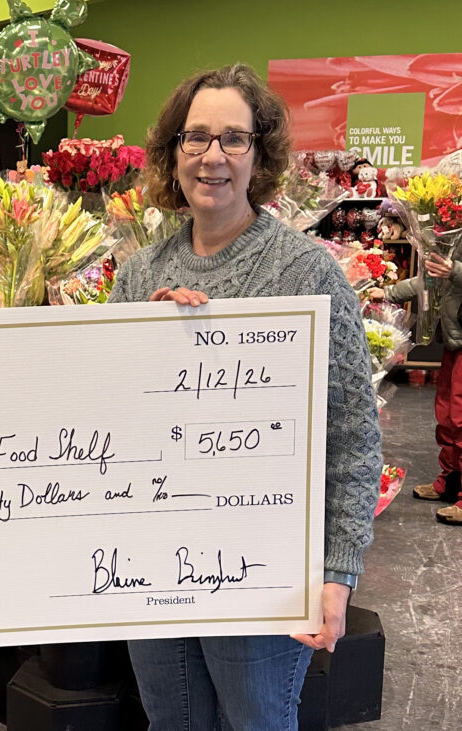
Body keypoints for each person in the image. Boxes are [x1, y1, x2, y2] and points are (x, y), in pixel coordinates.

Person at [107, 64, 381, 728]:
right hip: (154, 564)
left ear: (260, 155)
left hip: (264, 570)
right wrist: (144, 344)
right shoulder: (139, 275)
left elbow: (352, 435)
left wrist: (337, 573)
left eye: (234, 138)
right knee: (172, 721)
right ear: (173, 152)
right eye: (196, 137)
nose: (213, 156)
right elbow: (109, 424)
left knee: (256, 721)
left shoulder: (306, 272)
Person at [370, 252, 462, 525]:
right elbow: (430, 280)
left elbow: (447, 273)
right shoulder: (453, 236)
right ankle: (451, 481)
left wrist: (454, 270)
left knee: (460, 417)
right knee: (447, 414)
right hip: (454, 338)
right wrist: (388, 293)